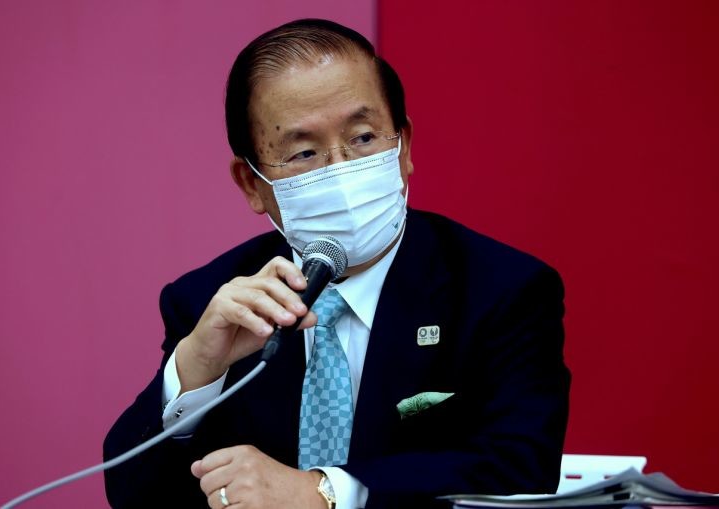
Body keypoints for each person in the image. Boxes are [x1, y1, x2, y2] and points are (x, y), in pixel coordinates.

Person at [103, 18, 570, 509]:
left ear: (403, 147)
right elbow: (133, 495)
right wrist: (196, 369)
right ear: (251, 183)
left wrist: (327, 492)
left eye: (363, 138)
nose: (342, 170)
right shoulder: (208, 301)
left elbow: (521, 468)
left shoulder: (502, 290)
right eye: (304, 152)